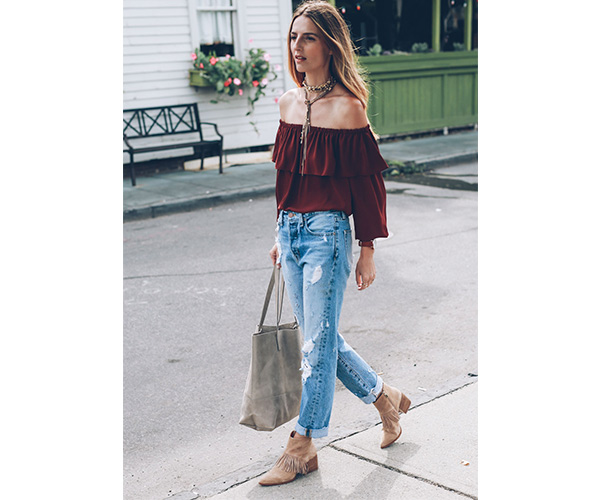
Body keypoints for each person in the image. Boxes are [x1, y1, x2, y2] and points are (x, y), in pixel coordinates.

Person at [260, 0, 411, 487]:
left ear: (329, 43)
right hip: (291, 230)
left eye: (306, 38)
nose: (296, 47)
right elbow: (284, 178)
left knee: (318, 343)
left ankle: (302, 444)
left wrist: (367, 246)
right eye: (292, 37)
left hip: (328, 235)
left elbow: (369, 185)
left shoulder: (349, 108)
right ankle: (386, 398)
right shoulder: (287, 102)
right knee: (317, 341)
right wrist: (278, 233)